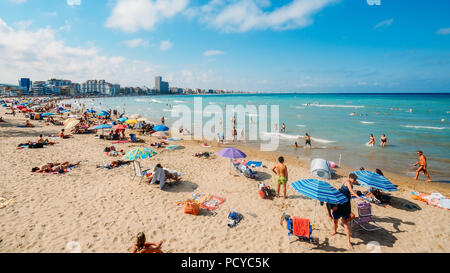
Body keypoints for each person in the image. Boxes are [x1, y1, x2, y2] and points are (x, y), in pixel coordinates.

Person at [329, 173, 365, 249]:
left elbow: (349, 193)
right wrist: (359, 197)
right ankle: (335, 231)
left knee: (346, 225)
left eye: (355, 180)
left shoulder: (351, 184)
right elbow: (351, 191)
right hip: (340, 204)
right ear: (349, 178)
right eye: (353, 179)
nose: (354, 181)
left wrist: (352, 195)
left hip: (346, 205)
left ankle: (348, 241)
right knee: (335, 220)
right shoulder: (347, 182)